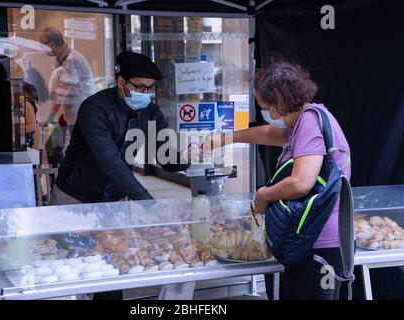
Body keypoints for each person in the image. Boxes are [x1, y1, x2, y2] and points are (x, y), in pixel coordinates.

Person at [203, 61, 351, 300]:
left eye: (266, 106)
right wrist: (226, 138)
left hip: (319, 242)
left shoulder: (310, 123)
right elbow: (271, 133)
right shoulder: (304, 119)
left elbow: (301, 182)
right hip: (310, 239)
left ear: (280, 102)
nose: (265, 113)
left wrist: (263, 196)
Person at [50, 50, 189, 205]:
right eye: (140, 87)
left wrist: (189, 156)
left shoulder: (150, 112)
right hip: (75, 197)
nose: (146, 93)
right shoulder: (96, 108)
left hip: (117, 198)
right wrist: (149, 204)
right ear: (121, 82)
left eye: (151, 88)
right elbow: (111, 162)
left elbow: (167, 160)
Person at [39, 27, 94, 157]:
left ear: (51, 44)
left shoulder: (72, 60)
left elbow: (62, 93)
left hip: (80, 117)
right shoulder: (64, 59)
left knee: (75, 154)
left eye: (42, 46)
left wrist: (49, 119)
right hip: (74, 116)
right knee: (60, 150)